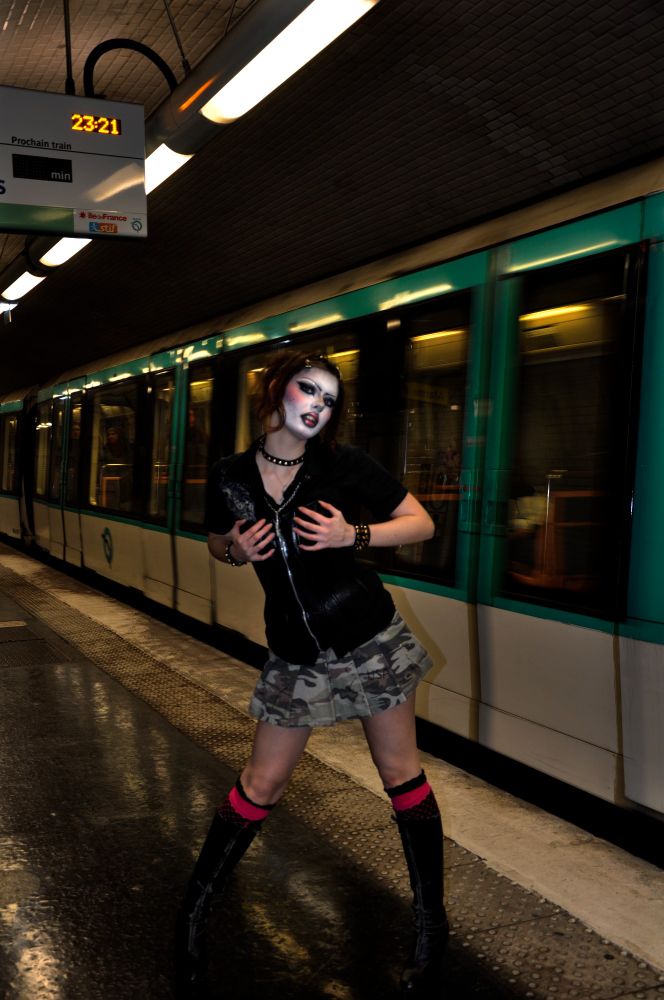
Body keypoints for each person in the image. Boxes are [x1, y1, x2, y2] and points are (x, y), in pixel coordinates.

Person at [175, 350, 448, 996]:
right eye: (309, 390)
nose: (318, 406)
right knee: (259, 783)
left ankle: (432, 924)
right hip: (294, 649)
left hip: (367, 636)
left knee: (400, 775)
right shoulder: (231, 477)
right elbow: (217, 539)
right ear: (276, 392)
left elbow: (421, 522)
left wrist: (352, 536)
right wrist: (232, 550)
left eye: (328, 399)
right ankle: (191, 915)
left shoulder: (341, 465)